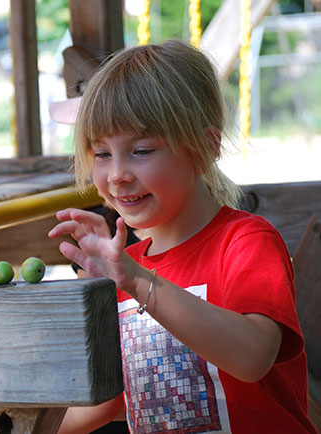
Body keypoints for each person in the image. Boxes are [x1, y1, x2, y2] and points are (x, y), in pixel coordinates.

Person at [48, 39, 317, 433]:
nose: (117, 173)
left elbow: (251, 357)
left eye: (141, 150)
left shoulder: (245, 242)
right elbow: (105, 401)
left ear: (205, 148)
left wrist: (136, 281)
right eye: (102, 154)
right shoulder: (126, 270)